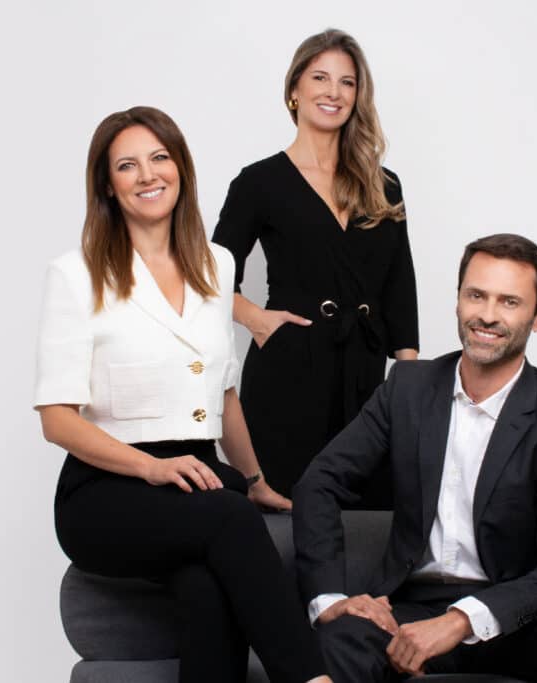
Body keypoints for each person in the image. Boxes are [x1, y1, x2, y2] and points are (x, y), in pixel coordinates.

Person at [35, 106, 330, 683]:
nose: (148, 175)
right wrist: (151, 468)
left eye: (159, 158)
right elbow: (56, 420)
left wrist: (255, 480)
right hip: (104, 490)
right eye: (127, 165)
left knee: (206, 585)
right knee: (228, 516)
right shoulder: (76, 274)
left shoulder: (217, 264)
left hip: (196, 478)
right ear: (108, 185)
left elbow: (224, 393)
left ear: (181, 169)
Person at [292, 234, 537, 682]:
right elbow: (321, 482)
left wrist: (463, 619)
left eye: (509, 302)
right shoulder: (406, 389)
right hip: (410, 610)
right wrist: (331, 599)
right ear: (458, 300)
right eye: (476, 295)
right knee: (341, 635)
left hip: (514, 617)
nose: (487, 315)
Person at [212, 28, 419, 501]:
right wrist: (257, 320)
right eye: (320, 78)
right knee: (284, 513)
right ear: (294, 90)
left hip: (365, 376)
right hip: (289, 368)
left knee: (368, 514)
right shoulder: (258, 182)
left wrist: (408, 379)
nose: (334, 92)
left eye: (347, 82)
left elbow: (399, 284)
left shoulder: (384, 185)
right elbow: (209, 276)